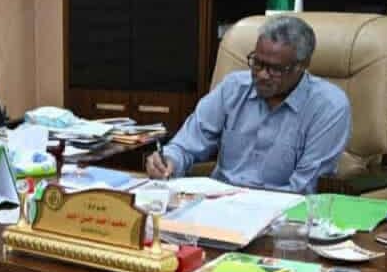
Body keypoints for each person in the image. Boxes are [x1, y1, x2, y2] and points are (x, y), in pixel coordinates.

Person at [146, 15, 351, 194]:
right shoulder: (233, 88)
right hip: (218, 203)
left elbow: (304, 189)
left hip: (280, 212)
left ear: (302, 65)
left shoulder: (329, 107)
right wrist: (169, 161)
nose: (262, 75)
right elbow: (187, 145)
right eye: (258, 63)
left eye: (275, 69)